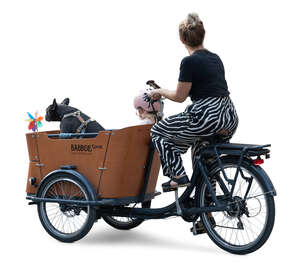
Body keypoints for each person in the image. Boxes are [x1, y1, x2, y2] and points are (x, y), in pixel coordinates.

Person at [148, 12, 239, 191]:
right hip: (228, 115)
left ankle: (178, 175)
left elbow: (179, 97)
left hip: (207, 116)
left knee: (157, 131)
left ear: (181, 39)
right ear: (202, 35)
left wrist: (158, 91)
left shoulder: (189, 62)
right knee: (204, 160)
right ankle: (206, 213)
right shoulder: (216, 58)